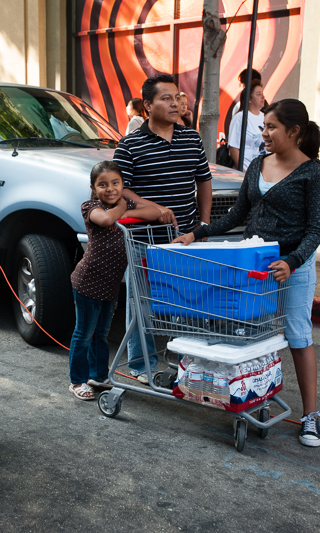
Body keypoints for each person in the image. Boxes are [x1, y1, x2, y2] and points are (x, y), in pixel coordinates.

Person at [172, 99, 320, 447]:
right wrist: (198, 233)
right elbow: (236, 215)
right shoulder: (258, 164)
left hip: (292, 267)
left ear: (294, 132)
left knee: (299, 338)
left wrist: (293, 261)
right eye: (264, 127)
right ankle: (253, 397)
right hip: (254, 263)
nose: (264, 133)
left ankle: (311, 417)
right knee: (252, 335)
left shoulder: (313, 172)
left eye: (271, 127)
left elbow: (316, 230)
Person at [114, 72, 213, 384]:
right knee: (140, 303)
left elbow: (204, 181)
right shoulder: (129, 145)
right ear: (148, 105)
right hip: (145, 238)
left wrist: (204, 223)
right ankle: (142, 365)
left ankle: (188, 364)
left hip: (185, 237)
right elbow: (121, 190)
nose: (175, 103)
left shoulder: (191, 138)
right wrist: (153, 210)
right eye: (166, 98)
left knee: (188, 301)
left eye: (177, 97)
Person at [68, 161, 167, 400]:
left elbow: (154, 212)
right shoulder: (90, 206)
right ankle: (77, 381)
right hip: (87, 283)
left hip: (110, 286)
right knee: (84, 333)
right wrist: (122, 206)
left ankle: (99, 376)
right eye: (103, 185)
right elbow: (104, 220)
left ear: (123, 184)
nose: (110, 189)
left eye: (115, 183)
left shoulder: (123, 205)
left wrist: (126, 211)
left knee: (101, 334)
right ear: (93, 187)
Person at [228, 79, 266, 170]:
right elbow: (233, 147)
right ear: (249, 99)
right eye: (258, 94)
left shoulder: (265, 117)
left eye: (262, 93)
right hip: (246, 171)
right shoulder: (240, 117)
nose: (263, 97)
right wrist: (243, 172)